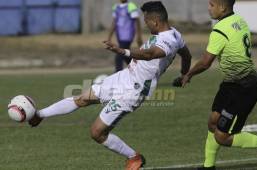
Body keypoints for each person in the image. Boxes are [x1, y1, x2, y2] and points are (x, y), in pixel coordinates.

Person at [29, 1, 192, 170]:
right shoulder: (176, 34)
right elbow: (187, 55)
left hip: (134, 90)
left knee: (97, 132)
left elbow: (150, 54)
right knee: (83, 98)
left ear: (155, 22)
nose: (145, 24)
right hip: (125, 77)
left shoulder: (168, 40)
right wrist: (183, 74)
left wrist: (124, 51)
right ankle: (40, 114)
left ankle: (134, 157)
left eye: (146, 21)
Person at [181, 0, 257, 170]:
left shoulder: (220, 30)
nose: (209, 8)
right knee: (212, 122)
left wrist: (189, 74)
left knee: (222, 137)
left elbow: (206, 62)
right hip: (230, 83)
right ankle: (209, 166)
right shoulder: (239, 20)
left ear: (222, 7)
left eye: (211, 5)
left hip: (244, 89)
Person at [107, 0, 143, 72]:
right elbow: (114, 22)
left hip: (128, 35)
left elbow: (137, 21)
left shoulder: (131, 6)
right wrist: (109, 37)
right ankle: (137, 70)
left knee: (119, 55)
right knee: (125, 55)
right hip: (120, 35)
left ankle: (117, 74)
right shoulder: (116, 7)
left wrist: (139, 35)